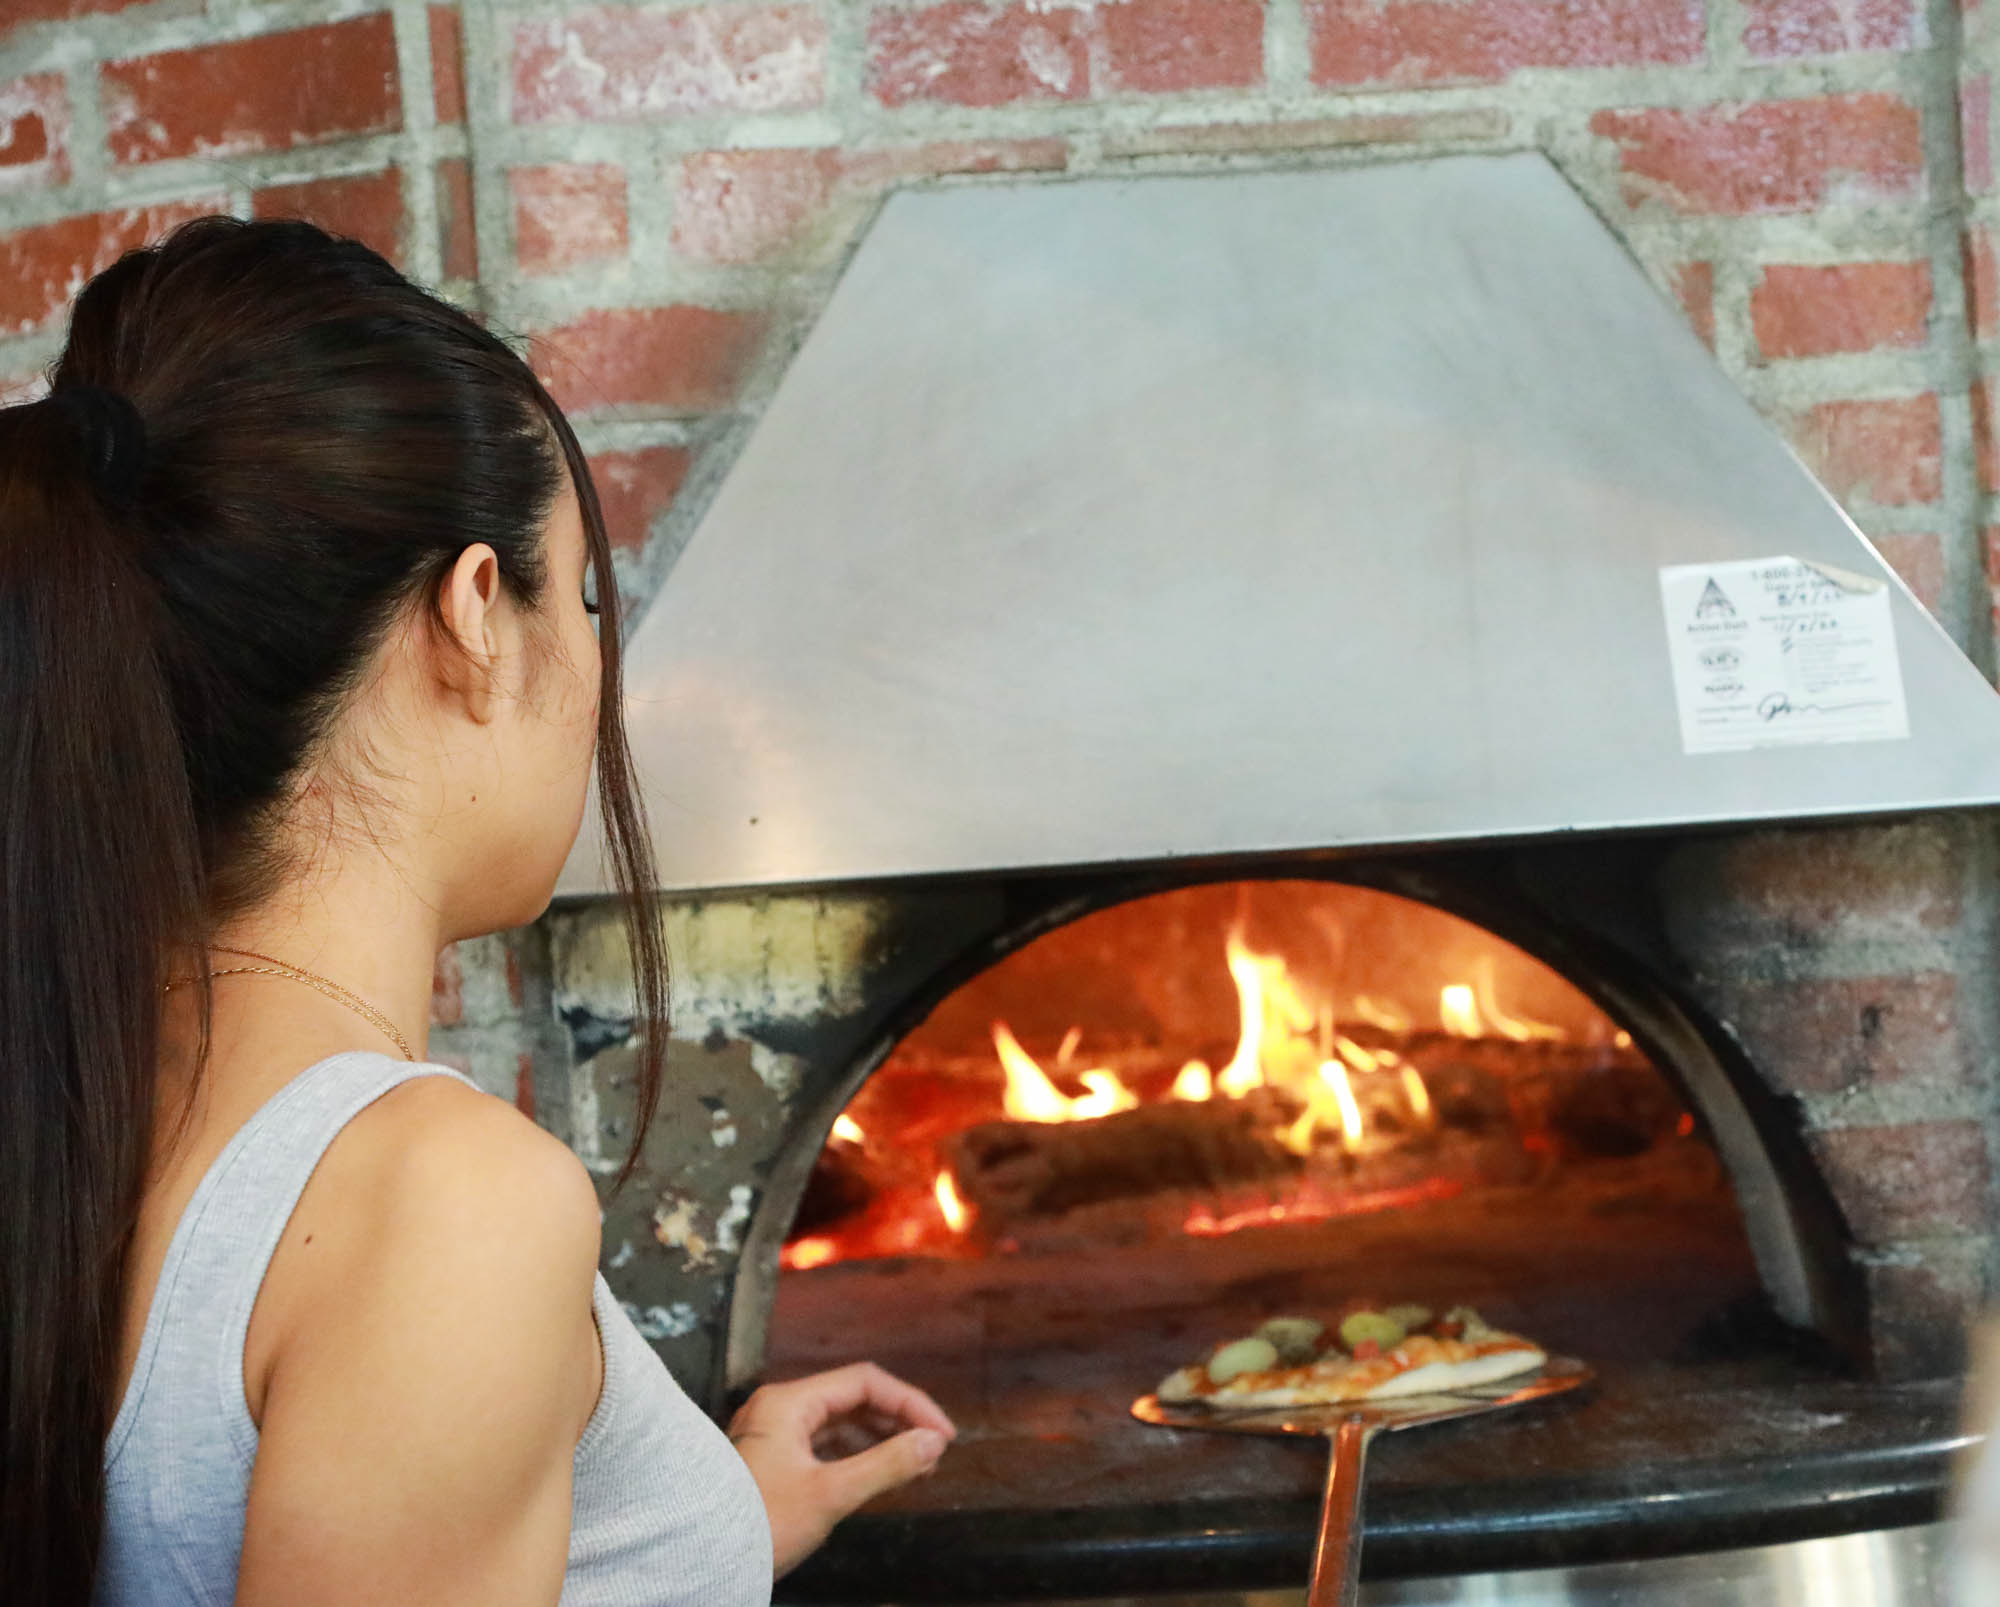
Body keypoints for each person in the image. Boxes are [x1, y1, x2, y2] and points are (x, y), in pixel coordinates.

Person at [0, 217, 954, 1606]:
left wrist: (693, 1518)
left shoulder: (73, 1101)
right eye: (575, 592)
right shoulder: (444, 1202)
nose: (592, 655)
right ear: (470, 619)